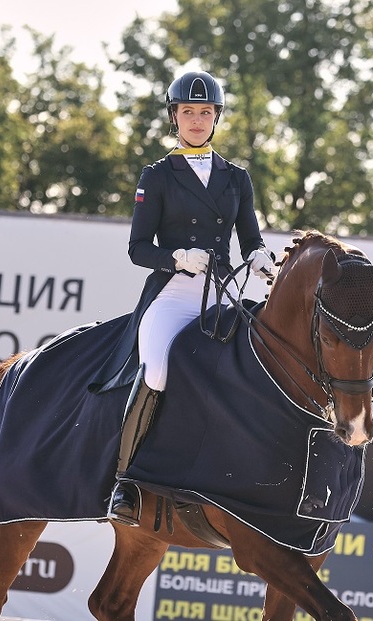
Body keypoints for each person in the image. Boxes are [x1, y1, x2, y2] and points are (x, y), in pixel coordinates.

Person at [105, 70, 276, 525]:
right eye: (188, 112)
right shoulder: (157, 176)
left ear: (216, 117)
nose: (197, 120)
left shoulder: (236, 178)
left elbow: (250, 238)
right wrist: (178, 257)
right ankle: (124, 482)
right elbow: (138, 249)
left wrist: (260, 258)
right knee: (158, 369)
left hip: (222, 297)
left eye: (205, 112)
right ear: (174, 117)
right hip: (174, 294)